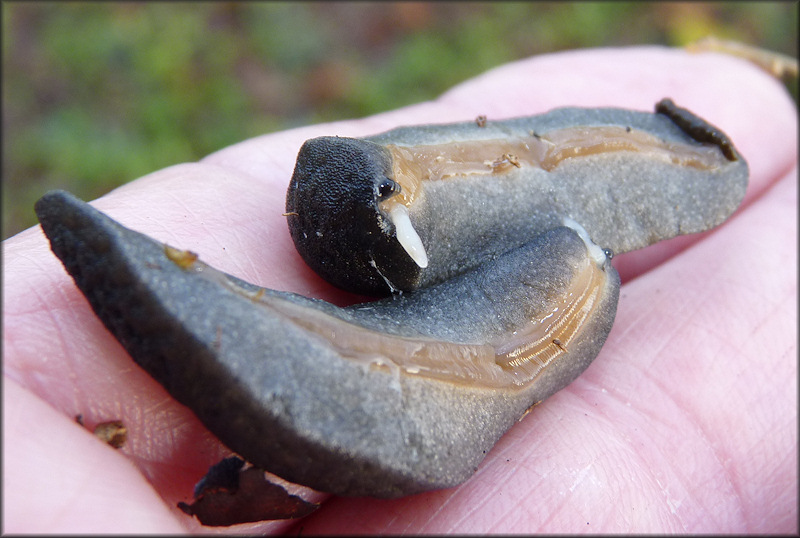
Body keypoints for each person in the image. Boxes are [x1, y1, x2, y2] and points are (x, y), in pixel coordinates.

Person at [3, 46, 797, 534]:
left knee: (563, 281)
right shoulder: (363, 202)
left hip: (396, 221)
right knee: (519, 289)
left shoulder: (573, 278)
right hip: (364, 223)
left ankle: (695, 156)